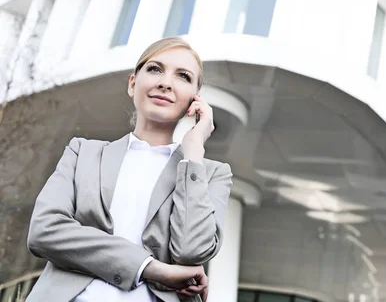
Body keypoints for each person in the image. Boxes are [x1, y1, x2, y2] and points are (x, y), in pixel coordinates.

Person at [25, 37, 233, 302]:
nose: (165, 83)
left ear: (195, 99)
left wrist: (194, 153)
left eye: (182, 76)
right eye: (155, 69)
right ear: (133, 84)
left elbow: (191, 253)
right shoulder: (83, 153)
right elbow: (44, 230)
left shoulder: (211, 174)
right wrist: (149, 268)